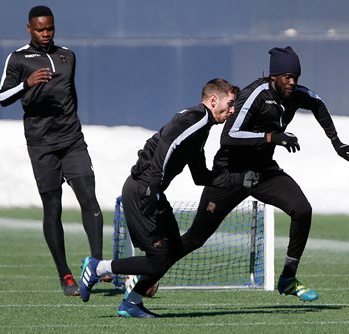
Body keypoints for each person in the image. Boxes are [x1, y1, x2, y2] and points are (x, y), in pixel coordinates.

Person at [148, 46, 349, 303]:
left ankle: (288, 277)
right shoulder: (255, 94)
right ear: (273, 76)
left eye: (296, 77)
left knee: (302, 209)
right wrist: (271, 137)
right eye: (287, 77)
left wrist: (337, 143)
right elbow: (229, 136)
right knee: (195, 238)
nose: (292, 82)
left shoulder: (295, 94)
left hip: (263, 173)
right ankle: (148, 274)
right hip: (228, 174)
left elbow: (318, 104)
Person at [78, 78, 238, 318]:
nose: (232, 110)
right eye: (231, 103)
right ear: (214, 100)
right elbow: (166, 143)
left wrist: (232, 177)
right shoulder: (197, 118)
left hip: (151, 189)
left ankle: (131, 303)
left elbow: (199, 175)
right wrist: (151, 187)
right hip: (142, 190)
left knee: (173, 250)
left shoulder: (202, 128)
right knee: (157, 260)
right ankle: (97, 267)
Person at [0, 5, 107, 296]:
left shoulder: (68, 55)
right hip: (42, 146)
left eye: (50, 29)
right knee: (53, 209)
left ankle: (96, 264)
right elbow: (2, 97)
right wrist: (26, 83)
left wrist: (70, 123)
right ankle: (65, 276)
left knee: (89, 200)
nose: (46, 34)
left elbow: (71, 94)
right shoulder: (19, 58)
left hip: (72, 141)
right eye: (40, 29)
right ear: (29, 29)